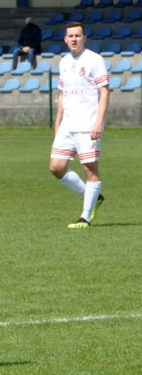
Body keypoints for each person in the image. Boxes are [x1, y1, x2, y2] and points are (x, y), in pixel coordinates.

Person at [49, 21, 108, 228]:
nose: (74, 39)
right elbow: (62, 95)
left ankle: (85, 216)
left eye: (78, 35)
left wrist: (98, 122)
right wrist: (58, 124)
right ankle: (94, 197)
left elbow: (105, 91)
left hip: (87, 124)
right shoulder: (64, 62)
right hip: (68, 125)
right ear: (65, 39)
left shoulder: (94, 59)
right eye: (70, 36)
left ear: (84, 38)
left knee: (89, 169)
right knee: (56, 167)